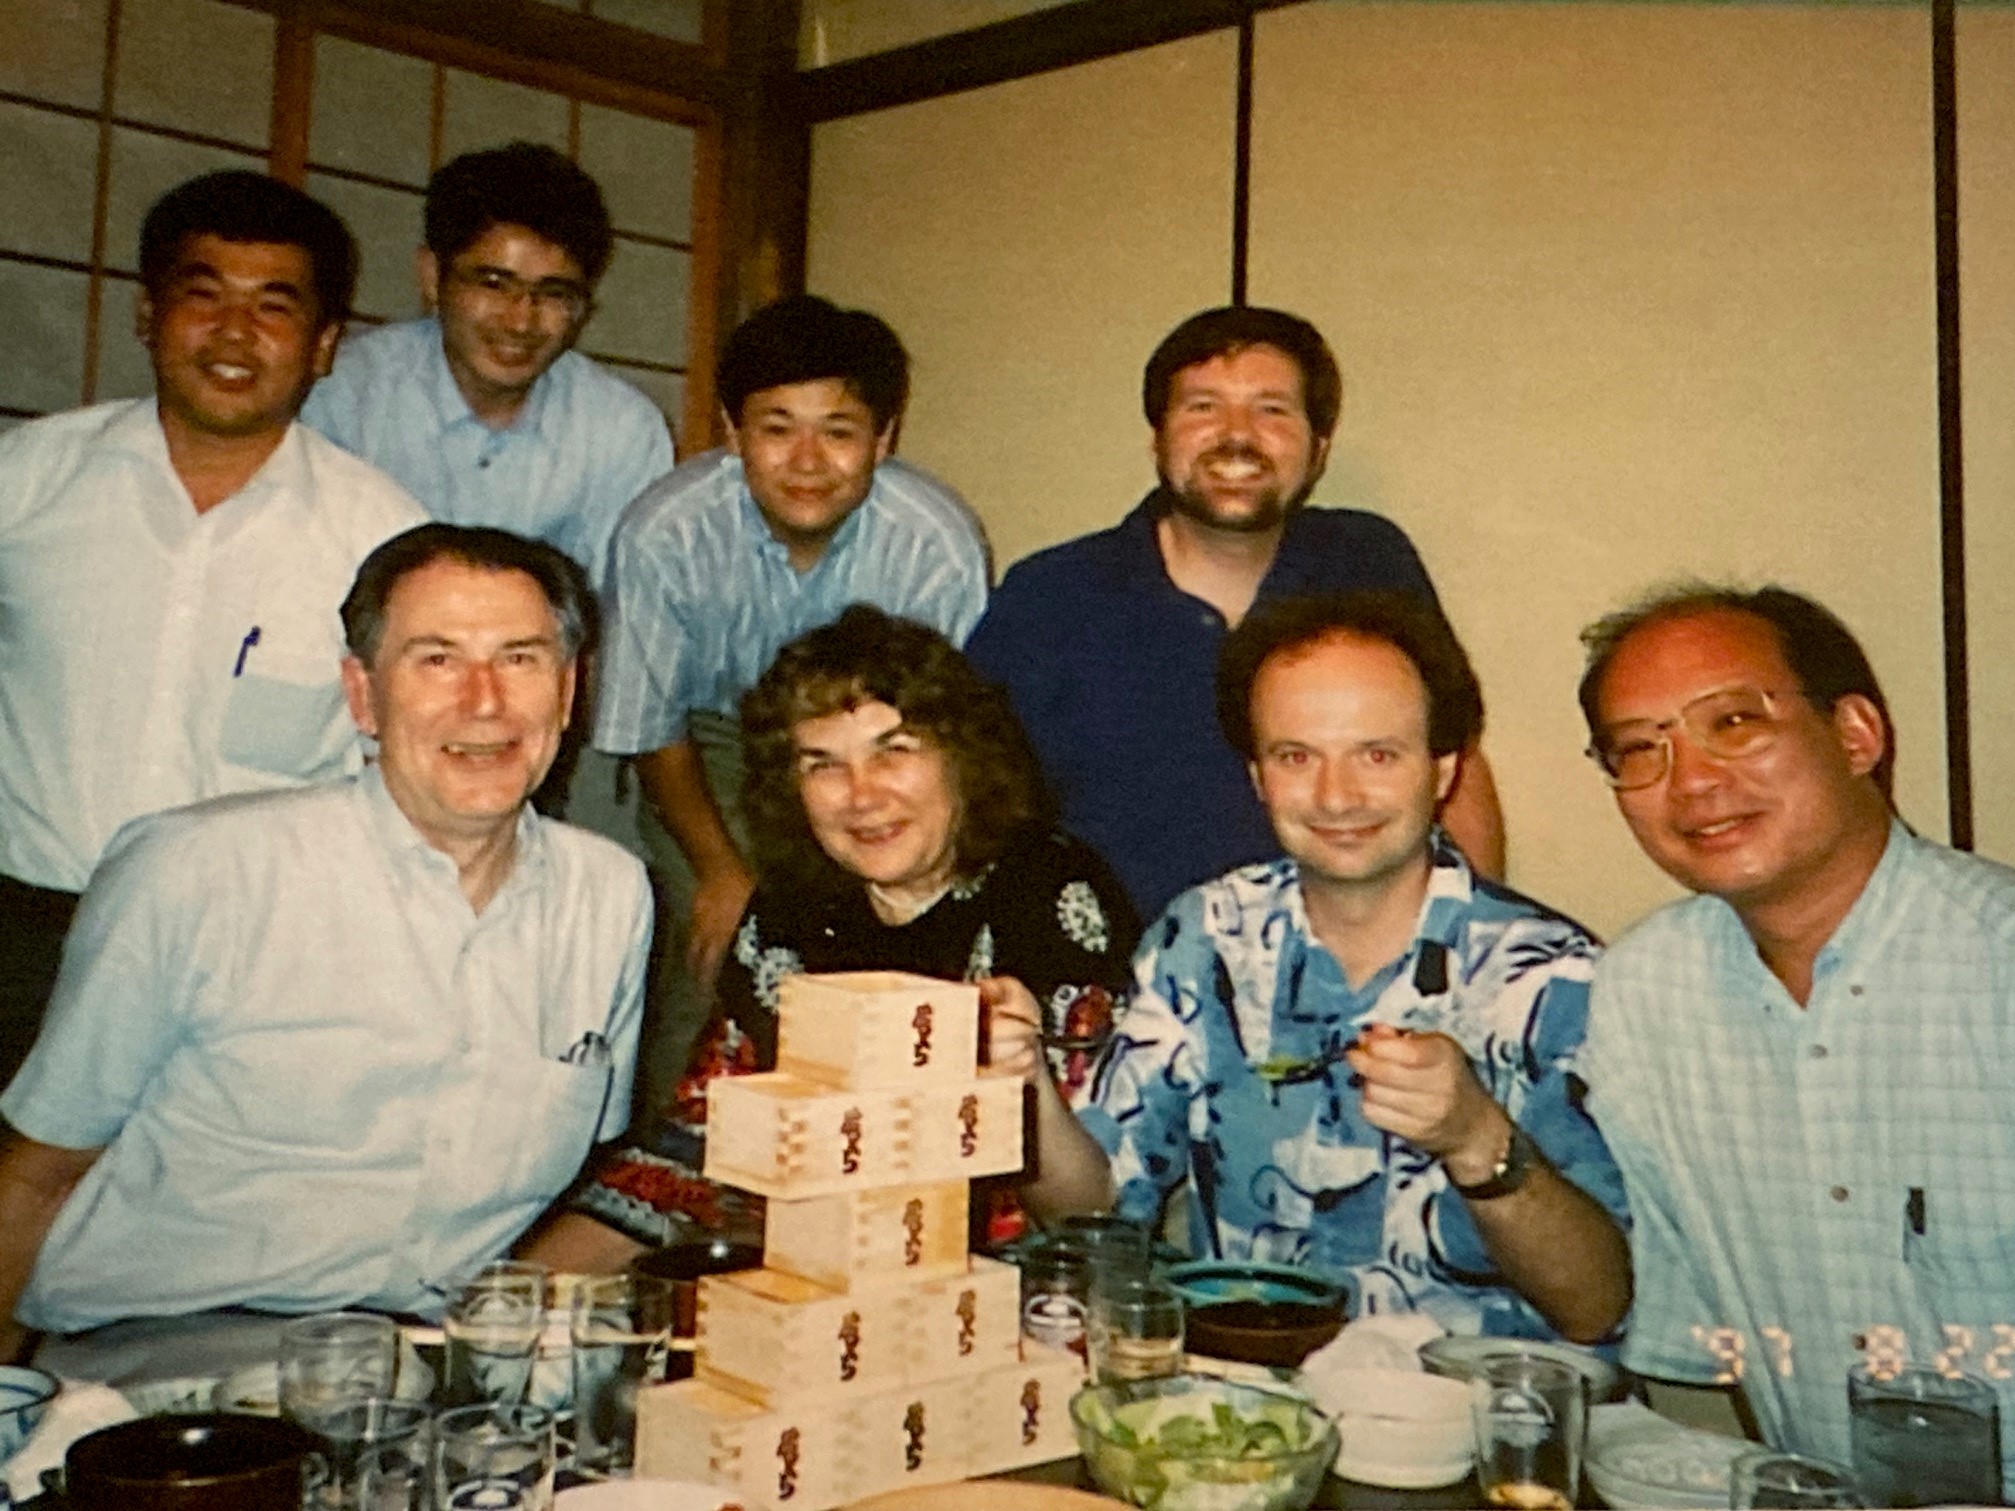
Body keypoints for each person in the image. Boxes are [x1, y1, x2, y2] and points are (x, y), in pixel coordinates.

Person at [0, 525, 650, 1374]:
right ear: (362, 695)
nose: (484, 701)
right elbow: (37, 1170)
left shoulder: (609, 895)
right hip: (176, 1352)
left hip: (437, 1364)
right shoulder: (199, 872)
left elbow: (587, 1175)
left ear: (568, 693)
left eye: (520, 659)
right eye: (436, 659)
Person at [1030, 592, 1630, 1343]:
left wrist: (1477, 1137)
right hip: (1244, 1413)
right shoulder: (1205, 936)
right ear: (1256, 775)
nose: (1336, 796)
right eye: (1295, 757)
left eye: (1376, 755)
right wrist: (1025, 1090)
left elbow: (1598, 1304)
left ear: (1442, 768)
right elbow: (1094, 1215)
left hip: (1479, 1428)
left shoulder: (1548, 977)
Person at [521, 606, 1135, 1270]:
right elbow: (702, 1138)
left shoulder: (1049, 896)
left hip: (992, 1296)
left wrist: (1026, 1081)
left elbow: (1089, 1214)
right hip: (803, 1282)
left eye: (893, 750)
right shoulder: (790, 908)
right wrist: (520, 1289)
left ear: (961, 756)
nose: (860, 795)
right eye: (821, 763)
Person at [1576, 584, 2015, 1481]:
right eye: (1638, 749)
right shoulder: (1645, 996)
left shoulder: (1998, 965)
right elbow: (1701, 1345)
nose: (1691, 780)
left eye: (1733, 722)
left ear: (1855, 735)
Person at [0, 170, 424, 1091]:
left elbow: (404, 765)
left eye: (274, 306)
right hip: (22, 929)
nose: (235, 334)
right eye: (204, 295)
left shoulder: (381, 537)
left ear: (322, 346)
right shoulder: (26, 480)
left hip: (248, 946)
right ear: (149, 316)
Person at [967, 305, 1504, 922]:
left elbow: (1454, 766)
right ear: (1157, 438)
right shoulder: (1052, 594)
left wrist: (1478, 949)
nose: (1237, 434)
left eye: (1272, 409)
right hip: (1111, 983)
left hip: (1350, 976)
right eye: (1202, 407)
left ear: (1319, 448)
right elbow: (968, 800)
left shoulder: (1367, 561)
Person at [593, 294, 990, 1110]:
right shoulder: (664, 531)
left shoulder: (935, 542)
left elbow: (943, 733)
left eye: (838, 431)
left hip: (878, 743)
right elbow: (650, 725)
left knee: (882, 942)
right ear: (732, 433)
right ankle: (675, 1178)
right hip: (714, 746)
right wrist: (719, 870)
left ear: (883, 437)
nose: (807, 459)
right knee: (715, 957)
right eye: (776, 428)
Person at [300, 141, 674, 587]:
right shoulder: (343, 393)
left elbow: (615, 611)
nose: (521, 320)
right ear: (431, 276)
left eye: (554, 293)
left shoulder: (623, 431)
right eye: (494, 284)